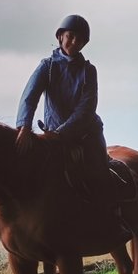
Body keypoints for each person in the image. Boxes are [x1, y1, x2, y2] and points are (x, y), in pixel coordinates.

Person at [15, 14, 111, 202]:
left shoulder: (89, 71)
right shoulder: (47, 66)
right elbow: (30, 97)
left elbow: (86, 108)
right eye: (70, 36)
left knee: (101, 173)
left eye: (80, 40)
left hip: (86, 134)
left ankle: (113, 218)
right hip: (51, 135)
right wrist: (24, 126)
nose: (74, 42)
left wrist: (61, 133)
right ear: (60, 36)